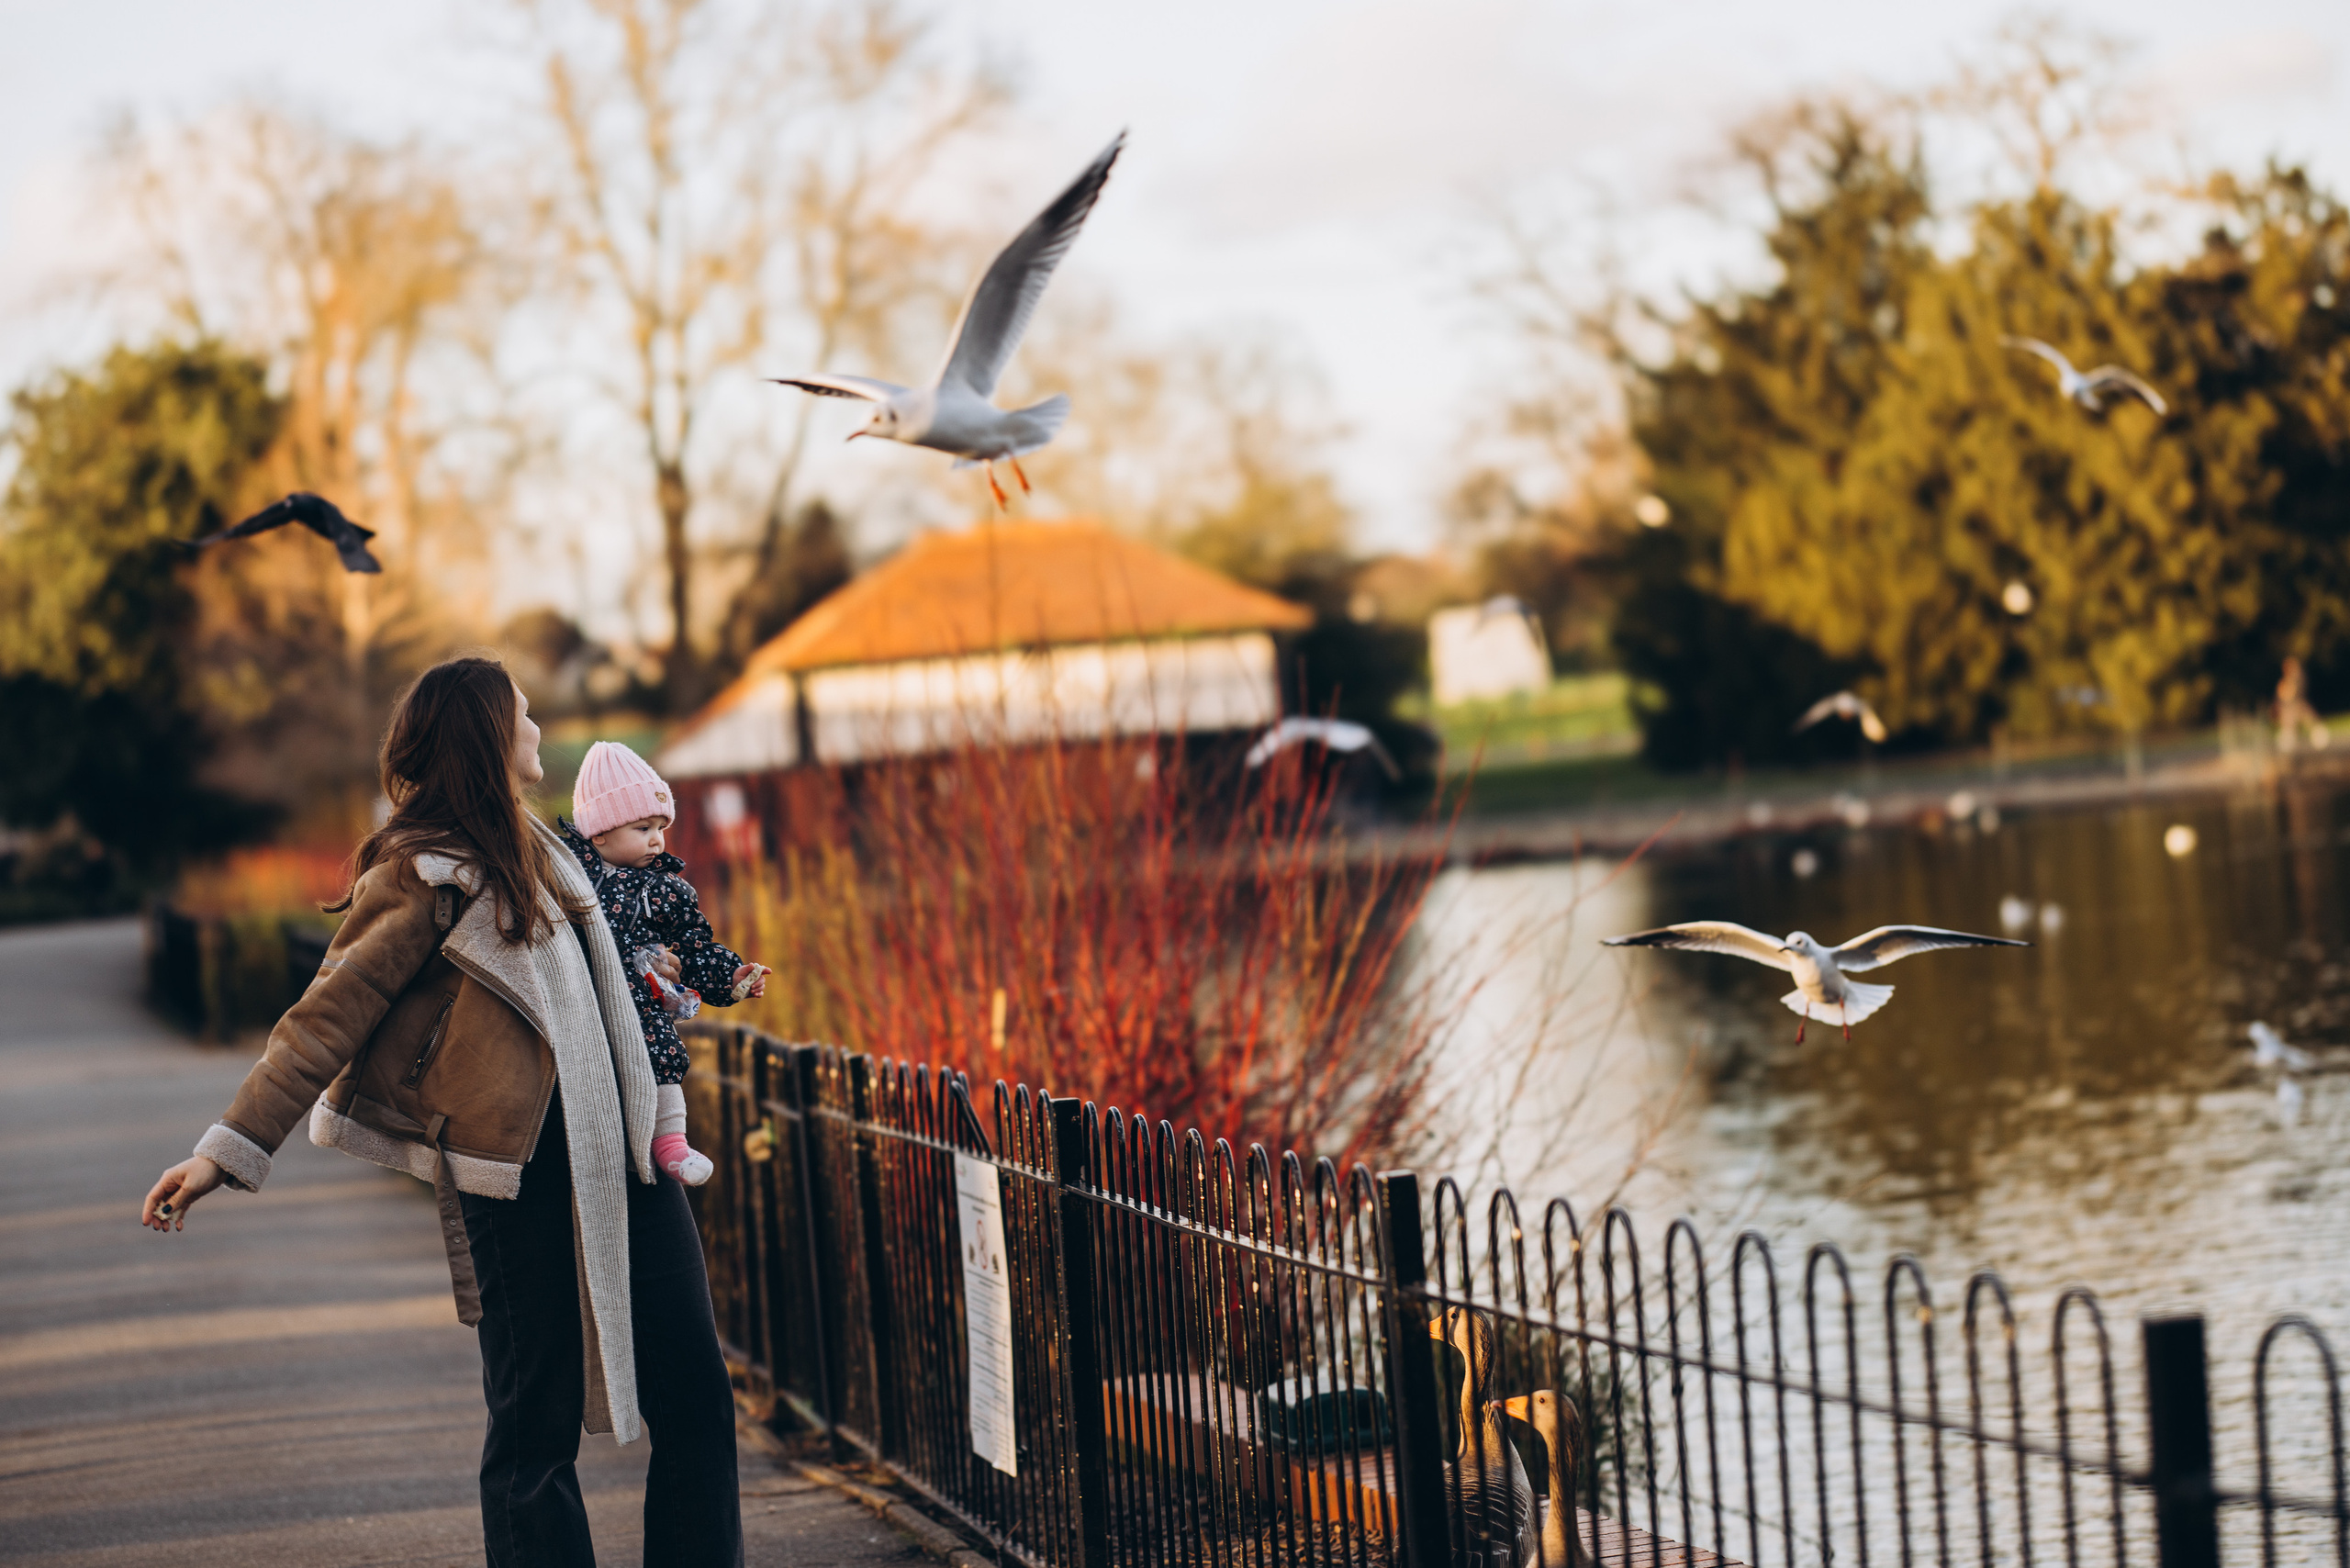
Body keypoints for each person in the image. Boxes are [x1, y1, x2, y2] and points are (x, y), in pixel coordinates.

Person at [139, 657, 744, 1568]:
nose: (540, 729)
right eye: (526, 714)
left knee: (696, 1395)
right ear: (491, 735)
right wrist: (226, 1151)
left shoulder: (553, 856)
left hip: (623, 1154)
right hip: (514, 1174)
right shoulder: (424, 872)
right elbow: (326, 1013)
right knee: (534, 1433)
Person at [556, 740, 768, 1186]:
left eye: (660, 826)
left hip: (640, 1005)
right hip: (579, 1003)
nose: (657, 839)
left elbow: (693, 947)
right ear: (599, 832)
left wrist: (731, 976)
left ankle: (671, 1143)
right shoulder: (563, 878)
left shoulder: (665, 889)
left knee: (661, 1055)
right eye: (642, 827)